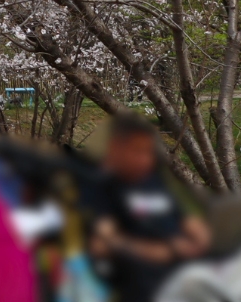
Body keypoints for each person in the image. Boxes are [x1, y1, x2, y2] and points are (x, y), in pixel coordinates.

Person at [89, 114, 210, 301]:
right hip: (143, 283)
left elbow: (183, 217)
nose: (145, 159)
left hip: (184, 272)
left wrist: (200, 236)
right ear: (116, 150)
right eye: (137, 152)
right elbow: (102, 243)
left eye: (148, 152)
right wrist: (159, 251)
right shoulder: (104, 188)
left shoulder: (154, 181)